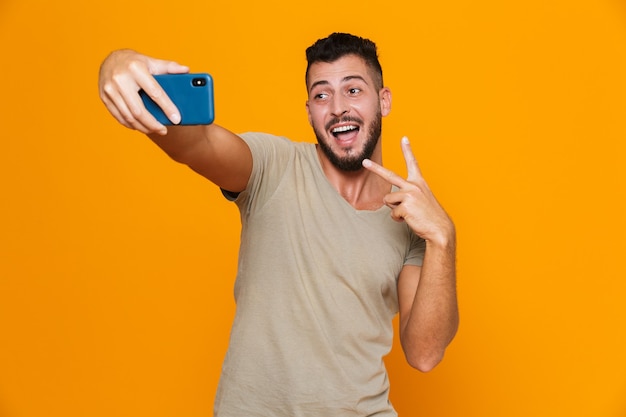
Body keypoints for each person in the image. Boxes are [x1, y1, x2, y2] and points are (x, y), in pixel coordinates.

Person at [99, 32, 459, 417]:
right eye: (322, 95)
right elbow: (194, 144)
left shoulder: (409, 218)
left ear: (383, 101)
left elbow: (424, 353)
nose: (338, 108)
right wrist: (119, 64)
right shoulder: (274, 166)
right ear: (309, 111)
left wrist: (442, 237)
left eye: (353, 90)